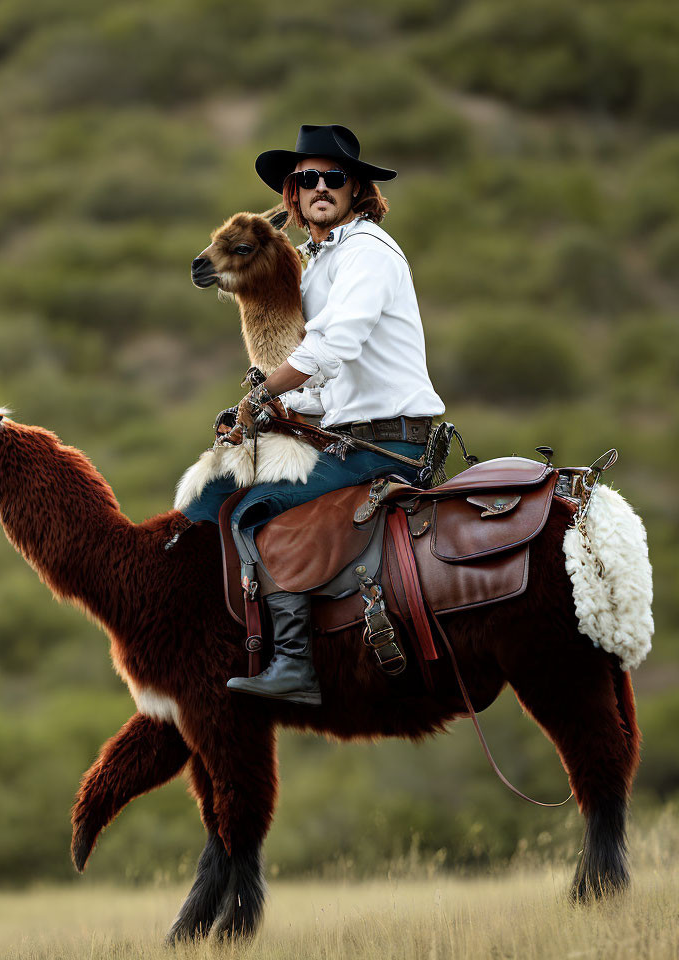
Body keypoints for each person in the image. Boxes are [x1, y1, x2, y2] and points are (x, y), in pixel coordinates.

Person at [182, 124, 444, 705]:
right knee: (213, 490)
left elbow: (332, 347)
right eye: (307, 179)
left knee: (250, 506)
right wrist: (268, 410)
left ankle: (295, 662)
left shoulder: (367, 255)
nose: (320, 187)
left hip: (386, 447)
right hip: (347, 438)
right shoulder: (321, 262)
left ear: (356, 189)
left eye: (333, 178)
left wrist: (263, 393)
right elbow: (327, 389)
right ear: (292, 196)